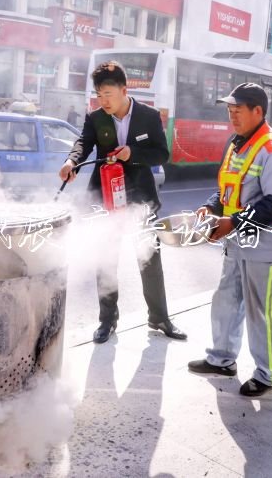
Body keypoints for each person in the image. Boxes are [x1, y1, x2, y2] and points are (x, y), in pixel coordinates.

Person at [58, 60, 186, 343]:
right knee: (105, 261)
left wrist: (133, 154)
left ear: (124, 90)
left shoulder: (149, 116)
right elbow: (83, 144)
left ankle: (159, 317)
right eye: (99, 95)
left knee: (150, 260)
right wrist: (71, 162)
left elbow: (161, 154)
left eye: (109, 95)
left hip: (141, 199)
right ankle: (107, 320)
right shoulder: (95, 118)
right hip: (105, 200)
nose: (104, 101)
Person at [187, 83, 272, 398]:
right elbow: (228, 190)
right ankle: (222, 359)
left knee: (263, 311)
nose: (231, 116)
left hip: (265, 246)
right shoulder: (239, 144)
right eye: (229, 111)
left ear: (257, 111)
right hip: (237, 242)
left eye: (237, 111)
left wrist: (233, 221)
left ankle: (268, 374)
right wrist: (211, 207)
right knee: (225, 301)